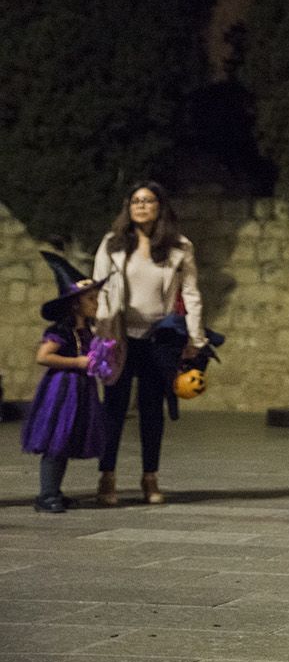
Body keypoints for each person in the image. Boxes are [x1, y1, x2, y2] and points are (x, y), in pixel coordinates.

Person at [92, 181, 207, 507]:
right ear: (128, 207)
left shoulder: (179, 246)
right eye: (136, 201)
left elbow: (191, 293)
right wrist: (100, 332)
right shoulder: (112, 244)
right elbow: (101, 289)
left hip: (159, 339)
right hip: (120, 336)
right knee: (113, 408)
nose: (141, 206)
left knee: (152, 410)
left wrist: (195, 337)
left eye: (148, 200)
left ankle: (150, 477)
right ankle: (107, 475)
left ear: (160, 206)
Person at [23, 252, 113, 512]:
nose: (96, 303)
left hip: (80, 390)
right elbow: (44, 356)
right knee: (56, 439)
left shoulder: (85, 331)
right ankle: (46, 494)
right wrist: (78, 363)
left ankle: (55, 491)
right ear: (75, 304)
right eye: (90, 299)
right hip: (62, 391)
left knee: (67, 439)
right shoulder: (60, 331)